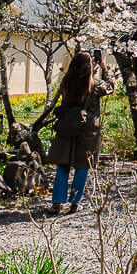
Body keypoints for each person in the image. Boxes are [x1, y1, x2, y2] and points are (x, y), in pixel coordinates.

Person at [46, 49, 113, 214]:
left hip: (67, 126)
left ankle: (57, 202)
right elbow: (110, 87)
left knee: (63, 165)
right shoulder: (95, 85)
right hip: (88, 129)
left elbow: (79, 83)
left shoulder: (66, 82)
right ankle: (75, 203)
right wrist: (104, 68)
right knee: (82, 166)